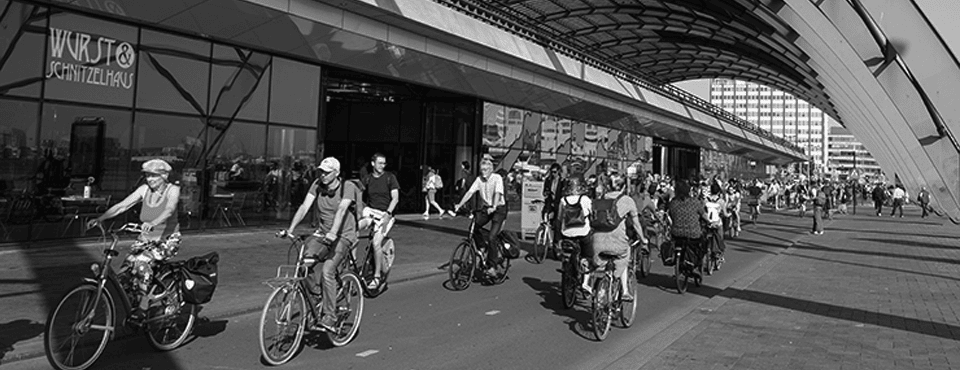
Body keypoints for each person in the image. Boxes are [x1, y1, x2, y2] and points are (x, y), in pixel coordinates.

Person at [87, 159, 181, 319]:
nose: (149, 179)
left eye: (154, 176)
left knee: (142, 264)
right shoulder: (144, 190)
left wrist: (153, 222)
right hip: (145, 240)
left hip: (167, 240)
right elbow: (122, 206)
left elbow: (169, 209)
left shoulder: (173, 190)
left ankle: (143, 308)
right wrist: (100, 219)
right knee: (127, 270)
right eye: (148, 176)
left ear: (164, 176)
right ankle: (134, 304)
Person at [284, 157, 361, 332]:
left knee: (327, 271)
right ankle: (317, 295)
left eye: (327, 172)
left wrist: (334, 232)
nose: (323, 175)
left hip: (343, 235)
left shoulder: (347, 187)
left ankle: (330, 317)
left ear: (337, 173)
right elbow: (304, 207)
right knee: (304, 263)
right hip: (324, 233)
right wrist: (290, 229)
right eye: (321, 171)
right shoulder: (317, 184)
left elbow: (342, 210)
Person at [590, 173, 645, 300]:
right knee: (625, 255)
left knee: (602, 264)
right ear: (624, 186)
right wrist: (644, 239)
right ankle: (625, 290)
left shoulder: (600, 199)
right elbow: (636, 224)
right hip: (617, 242)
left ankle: (601, 291)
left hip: (597, 241)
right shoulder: (627, 200)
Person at [453, 156, 507, 277]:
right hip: (487, 208)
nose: (483, 172)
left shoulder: (497, 178)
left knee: (492, 237)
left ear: (491, 169)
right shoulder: (479, 180)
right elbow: (470, 192)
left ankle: (492, 267)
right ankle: (482, 247)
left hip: (498, 209)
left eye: (486, 169)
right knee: (474, 227)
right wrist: (459, 204)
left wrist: (494, 206)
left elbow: (498, 193)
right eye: (482, 170)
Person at [358, 153, 399, 290]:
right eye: (380, 163)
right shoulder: (367, 179)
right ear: (373, 163)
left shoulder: (389, 178)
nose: (382, 165)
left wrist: (388, 213)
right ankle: (351, 266)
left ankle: (376, 277)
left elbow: (395, 198)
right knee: (353, 229)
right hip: (370, 211)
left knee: (376, 242)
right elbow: (359, 195)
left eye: (384, 163)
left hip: (384, 214)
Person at [557, 176, 593, 292]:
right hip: (583, 233)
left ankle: (566, 266)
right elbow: (592, 214)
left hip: (566, 233)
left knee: (566, 253)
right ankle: (585, 283)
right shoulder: (585, 199)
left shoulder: (563, 200)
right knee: (588, 257)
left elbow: (559, 218)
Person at [668, 181, 707, 275]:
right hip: (693, 233)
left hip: (676, 232)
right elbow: (704, 215)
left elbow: (671, 216)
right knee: (703, 244)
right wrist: (709, 221)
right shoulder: (695, 202)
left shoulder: (673, 202)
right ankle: (697, 265)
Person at [542, 163, 564, 241]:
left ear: (558, 172)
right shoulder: (548, 180)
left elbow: (563, 193)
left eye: (555, 172)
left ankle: (557, 240)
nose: (553, 174)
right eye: (552, 172)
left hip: (558, 203)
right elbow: (544, 191)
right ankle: (545, 233)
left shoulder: (562, 181)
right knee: (545, 215)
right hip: (550, 202)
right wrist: (546, 193)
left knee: (557, 222)